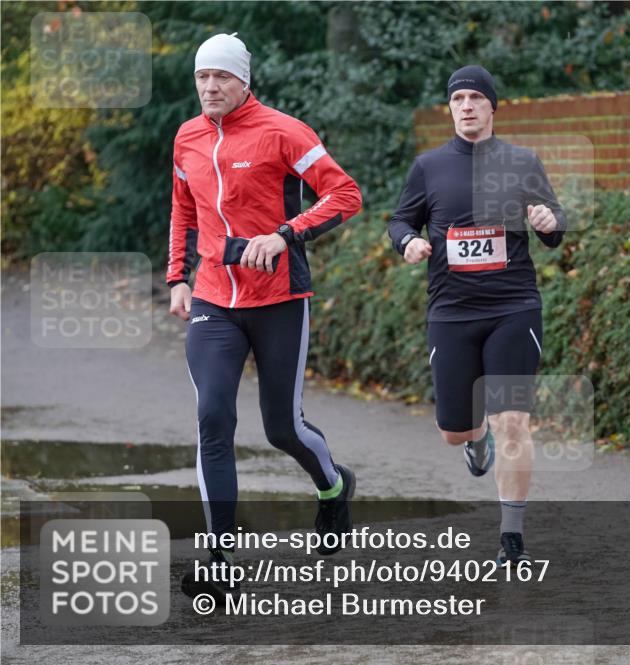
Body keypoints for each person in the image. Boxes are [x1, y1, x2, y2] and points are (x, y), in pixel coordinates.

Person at [167, 33, 362, 598]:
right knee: (212, 418)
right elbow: (183, 209)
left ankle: (331, 487)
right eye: (202, 77)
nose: (209, 87)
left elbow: (344, 194)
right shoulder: (187, 138)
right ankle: (221, 556)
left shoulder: (282, 131)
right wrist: (177, 278)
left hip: (278, 300)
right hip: (212, 300)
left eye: (221, 77)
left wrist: (284, 236)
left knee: (282, 427)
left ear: (244, 81)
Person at [386, 65, 566, 563]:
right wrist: (409, 240)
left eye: (474, 98)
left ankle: (512, 536)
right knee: (455, 431)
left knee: (513, 419)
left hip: (513, 306)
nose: (465, 105)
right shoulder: (429, 166)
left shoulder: (520, 161)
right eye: (457, 98)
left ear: (492, 107)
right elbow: (400, 218)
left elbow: (554, 225)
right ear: (451, 108)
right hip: (452, 311)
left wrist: (550, 220)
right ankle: (475, 438)